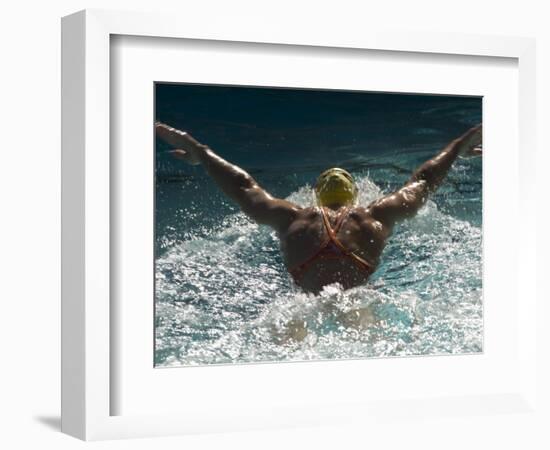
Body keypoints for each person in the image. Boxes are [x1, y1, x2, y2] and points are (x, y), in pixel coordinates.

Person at [156, 122, 482, 294]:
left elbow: (245, 187)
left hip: (303, 304)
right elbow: (423, 181)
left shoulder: (293, 218)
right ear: (354, 196)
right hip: (358, 299)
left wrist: (202, 152)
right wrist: (458, 147)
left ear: (316, 197)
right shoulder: (373, 217)